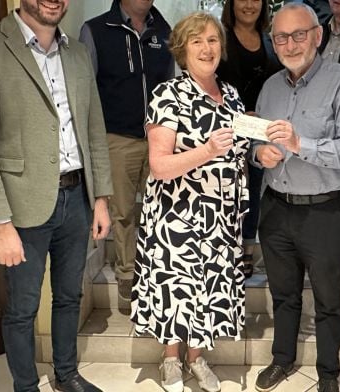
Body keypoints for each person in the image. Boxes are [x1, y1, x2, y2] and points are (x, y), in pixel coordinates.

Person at [0, 1, 113, 391]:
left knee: (69, 297)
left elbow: (94, 128)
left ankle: (66, 374)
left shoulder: (77, 51)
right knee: (22, 308)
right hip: (21, 206)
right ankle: (25, 386)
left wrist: (101, 198)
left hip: (77, 197)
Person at [251, 4, 340, 392]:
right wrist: (258, 154)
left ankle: (328, 374)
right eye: (280, 37)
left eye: (298, 34)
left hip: (325, 211)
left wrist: (302, 145)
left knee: (327, 299)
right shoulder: (269, 88)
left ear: (317, 36)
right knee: (283, 294)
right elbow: (257, 141)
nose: (289, 44)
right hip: (277, 208)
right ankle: (282, 359)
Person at [130, 12, 249, 392]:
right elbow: (160, 165)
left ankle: (197, 359)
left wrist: (267, 152)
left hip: (219, 215)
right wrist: (207, 151)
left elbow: (242, 152)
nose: (207, 48)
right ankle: (170, 360)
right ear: (182, 49)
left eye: (213, 40)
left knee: (208, 286)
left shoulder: (231, 96)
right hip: (175, 216)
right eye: (197, 41)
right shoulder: (168, 95)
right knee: (175, 286)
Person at [79, 0, 174, 305]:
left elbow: (171, 85)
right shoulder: (96, 30)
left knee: (163, 209)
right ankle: (127, 273)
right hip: (117, 137)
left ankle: (160, 271)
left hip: (159, 137)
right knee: (122, 211)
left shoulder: (163, 30)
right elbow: (86, 90)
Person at [216, 0, 281, 278]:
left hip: (259, 132)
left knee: (253, 190)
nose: (249, 4)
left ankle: (247, 249)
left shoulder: (270, 41)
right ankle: (221, 245)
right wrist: (239, 113)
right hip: (224, 130)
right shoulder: (219, 38)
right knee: (224, 190)